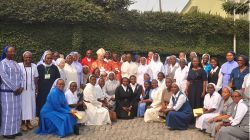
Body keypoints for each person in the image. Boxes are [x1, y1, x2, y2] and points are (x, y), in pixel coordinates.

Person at [0, 46, 24, 139]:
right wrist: (15, 88)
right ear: (6, 52)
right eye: (10, 52)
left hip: (18, 92)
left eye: (14, 51)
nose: (13, 53)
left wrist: (21, 87)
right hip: (7, 92)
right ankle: (6, 132)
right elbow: (4, 77)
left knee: (17, 111)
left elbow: (21, 75)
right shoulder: (2, 63)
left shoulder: (15, 63)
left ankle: (15, 130)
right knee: (8, 112)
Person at [19, 51, 38, 131]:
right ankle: (23, 123)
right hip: (22, 90)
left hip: (31, 90)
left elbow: (36, 78)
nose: (28, 58)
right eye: (26, 57)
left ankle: (28, 122)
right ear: (23, 58)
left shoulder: (34, 66)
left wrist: (36, 89)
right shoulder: (19, 65)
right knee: (23, 106)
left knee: (30, 106)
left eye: (29, 57)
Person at [36, 51, 60, 117]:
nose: (49, 60)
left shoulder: (54, 67)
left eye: (51, 58)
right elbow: (36, 79)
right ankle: (41, 120)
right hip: (42, 90)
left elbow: (57, 79)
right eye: (48, 58)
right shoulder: (39, 67)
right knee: (42, 105)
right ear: (44, 59)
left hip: (51, 90)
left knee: (51, 105)